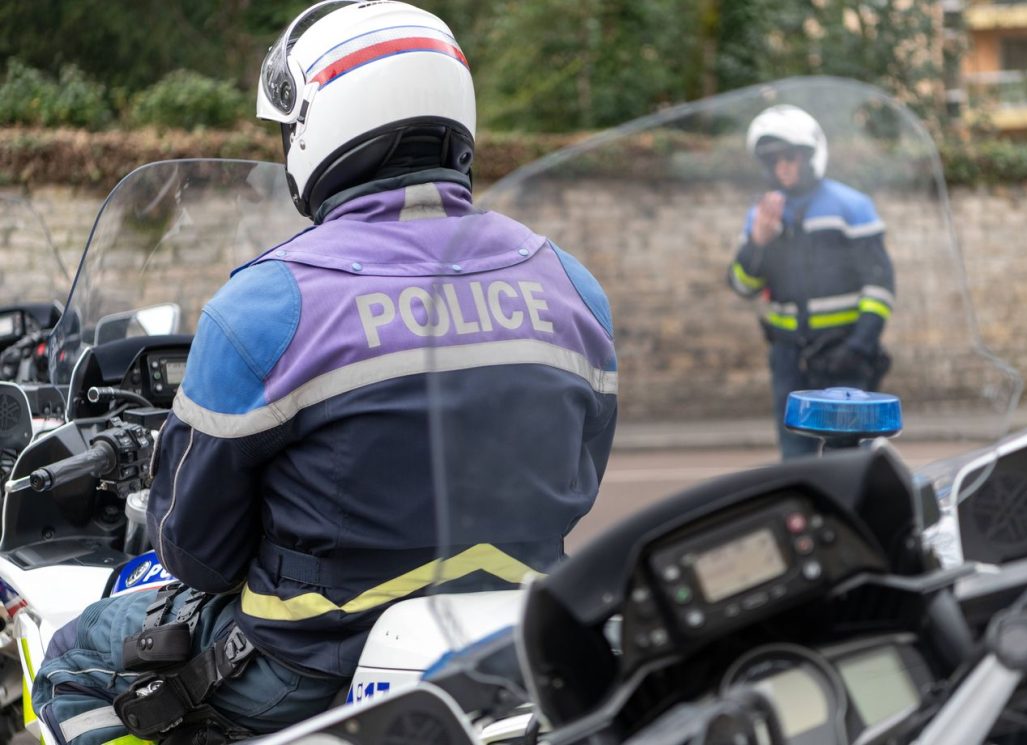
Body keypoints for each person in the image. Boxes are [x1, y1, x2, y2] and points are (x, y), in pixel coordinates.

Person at [31, 2, 618, 742]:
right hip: (518, 642)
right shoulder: (572, 285)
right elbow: (578, 480)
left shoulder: (267, 305)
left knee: (70, 663)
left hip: (308, 664)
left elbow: (198, 555)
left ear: (318, 128)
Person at [727, 104, 894, 460]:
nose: (782, 167)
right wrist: (757, 242)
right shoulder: (763, 216)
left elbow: (880, 287)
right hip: (789, 359)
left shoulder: (851, 206)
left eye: (790, 157)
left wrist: (858, 346)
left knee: (851, 461)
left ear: (811, 155)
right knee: (795, 461)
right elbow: (742, 286)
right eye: (773, 160)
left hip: (845, 356)